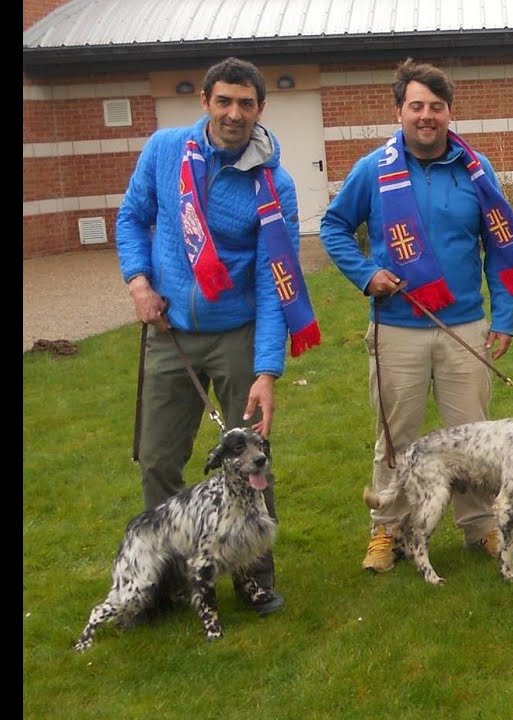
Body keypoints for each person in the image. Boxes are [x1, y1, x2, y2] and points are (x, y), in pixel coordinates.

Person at [321, 59, 513, 572]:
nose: (426, 116)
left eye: (437, 107)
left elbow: (501, 249)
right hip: (397, 327)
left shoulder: (475, 169)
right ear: (399, 110)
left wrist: (504, 317)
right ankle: (388, 531)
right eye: (416, 106)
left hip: (464, 325)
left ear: (449, 112)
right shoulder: (372, 170)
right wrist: (365, 274)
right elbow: (334, 227)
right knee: (397, 436)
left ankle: (481, 527)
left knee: (473, 437)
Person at [116, 56, 320, 616]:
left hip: (237, 334)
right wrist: (138, 282)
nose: (234, 113)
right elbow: (131, 217)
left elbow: (275, 281)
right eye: (224, 101)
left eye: (246, 104)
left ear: (261, 109)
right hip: (171, 334)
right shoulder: (165, 150)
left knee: (253, 462)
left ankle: (254, 578)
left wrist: (266, 371)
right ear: (205, 101)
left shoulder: (273, 184)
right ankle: (167, 578)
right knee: (158, 460)